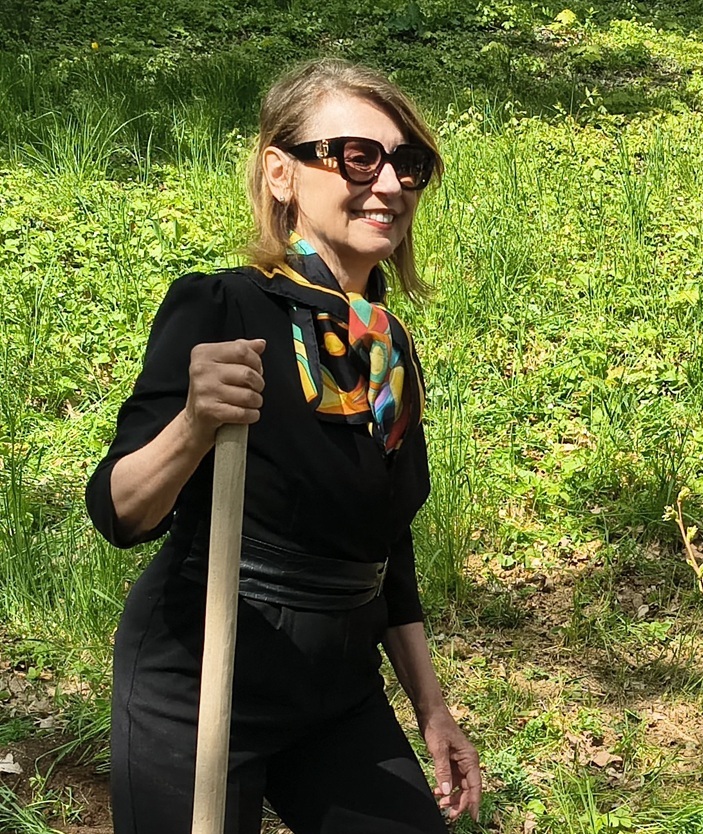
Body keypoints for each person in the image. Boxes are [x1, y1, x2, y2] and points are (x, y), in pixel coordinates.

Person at [86, 59, 481, 833]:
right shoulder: (223, 306)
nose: (391, 183)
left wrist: (432, 709)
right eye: (358, 156)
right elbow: (119, 511)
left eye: (409, 163)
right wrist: (195, 422)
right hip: (204, 676)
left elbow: (383, 541)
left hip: (338, 688)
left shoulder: (386, 348)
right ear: (281, 174)